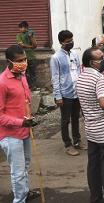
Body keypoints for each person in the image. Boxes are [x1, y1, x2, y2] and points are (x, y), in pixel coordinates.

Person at [76, 47, 104, 203]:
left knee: (94, 168)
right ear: (91, 62)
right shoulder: (99, 79)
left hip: (92, 131)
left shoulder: (81, 78)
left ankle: (95, 198)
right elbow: (103, 103)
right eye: (100, 58)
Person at [0, 45, 40, 203]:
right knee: (17, 171)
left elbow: (25, 101)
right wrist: (20, 122)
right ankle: (19, 199)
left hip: (24, 131)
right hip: (10, 134)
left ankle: (24, 192)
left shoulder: (22, 76)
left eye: (24, 59)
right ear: (9, 62)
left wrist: (29, 117)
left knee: (25, 166)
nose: (23, 63)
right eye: (19, 61)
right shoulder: (2, 82)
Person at [50, 30, 85, 156]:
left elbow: (79, 71)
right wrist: (58, 96)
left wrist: (81, 89)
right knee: (65, 120)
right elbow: (55, 78)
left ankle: (77, 141)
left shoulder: (75, 54)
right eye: (68, 41)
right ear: (61, 42)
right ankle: (68, 144)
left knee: (76, 118)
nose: (71, 43)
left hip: (76, 92)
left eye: (71, 40)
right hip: (65, 94)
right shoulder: (56, 58)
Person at [16, 21, 37, 89]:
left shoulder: (30, 34)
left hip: (31, 57)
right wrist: (30, 47)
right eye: (19, 28)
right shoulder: (18, 36)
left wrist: (31, 37)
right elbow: (21, 45)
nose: (20, 29)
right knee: (24, 73)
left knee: (33, 72)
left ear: (26, 27)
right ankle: (25, 86)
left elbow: (35, 45)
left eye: (21, 27)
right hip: (23, 57)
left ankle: (33, 86)